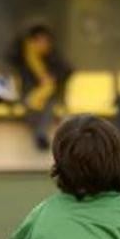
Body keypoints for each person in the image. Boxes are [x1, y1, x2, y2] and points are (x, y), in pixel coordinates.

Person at [5, 23, 72, 151]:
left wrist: (53, 77)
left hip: (49, 96)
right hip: (28, 95)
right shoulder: (24, 56)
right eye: (39, 40)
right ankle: (40, 135)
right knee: (35, 108)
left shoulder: (52, 56)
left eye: (45, 40)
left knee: (46, 108)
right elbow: (10, 58)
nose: (42, 44)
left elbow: (67, 69)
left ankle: (39, 134)